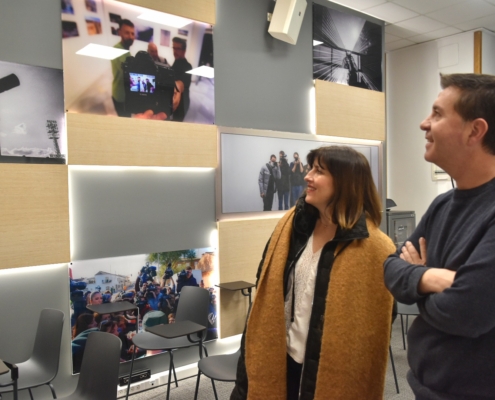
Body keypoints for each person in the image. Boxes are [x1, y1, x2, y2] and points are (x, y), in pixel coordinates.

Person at [231, 146, 396, 400]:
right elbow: (264, 300)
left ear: (345, 182)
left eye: (319, 171)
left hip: (329, 373)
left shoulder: (376, 248)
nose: (307, 176)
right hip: (282, 359)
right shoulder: (292, 228)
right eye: (310, 169)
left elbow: (378, 322)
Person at [383, 73, 495, 400]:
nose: (423, 123)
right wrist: (432, 276)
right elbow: (390, 268)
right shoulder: (443, 204)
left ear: (475, 131)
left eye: (437, 114)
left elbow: (466, 312)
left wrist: (415, 282)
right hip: (426, 387)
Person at [111, 19, 135, 117]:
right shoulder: (117, 49)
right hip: (120, 97)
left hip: (126, 96)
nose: (130, 36)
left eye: (132, 33)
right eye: (127, 33)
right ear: (120, 32)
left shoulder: (126, 50)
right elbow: (127, 73)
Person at [171, 37, 192, 122]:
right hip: (176, 98)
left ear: (184, 51)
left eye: (178, 49)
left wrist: (177, 87)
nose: (175, 51)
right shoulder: (176, 61)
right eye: (174, 48)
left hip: (182, 103)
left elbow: (182, 83)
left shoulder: (188, 66)